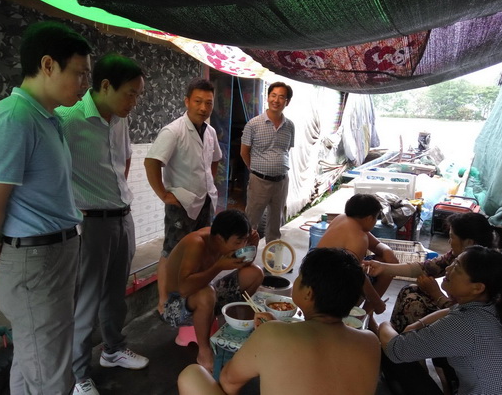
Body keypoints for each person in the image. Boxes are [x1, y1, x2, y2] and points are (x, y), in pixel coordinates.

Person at [0, 21, 91, 394]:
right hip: (34, 262)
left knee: (34, 363)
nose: (84, 84)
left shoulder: (46, 118)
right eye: (79, 73)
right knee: (51, 375)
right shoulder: (13, 118)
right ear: (48, 65)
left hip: (51, 256)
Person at [57, 53, 148, 395]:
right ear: (106, 85)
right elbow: (51, 172)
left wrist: (116, 199)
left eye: (138, 94)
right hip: (90, 224)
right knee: (86, 302)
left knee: (115, 294)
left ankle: (113, 350)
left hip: (122, 217)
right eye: (130, 93)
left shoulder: (120, 119)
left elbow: (123, 163)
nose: (134, 101)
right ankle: (78, 376)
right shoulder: (67, 120)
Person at [177, 248, 381, 395]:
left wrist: (271, 335)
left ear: (308, 293)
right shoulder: (371, 342)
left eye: (299, 278)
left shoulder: (272, 334)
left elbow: (229, 382)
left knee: (191, 375)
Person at [378, 246, 502, 395]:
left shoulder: (464, 324)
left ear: (477, 288)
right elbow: (451, 310)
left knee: (388, 352)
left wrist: (384, 325)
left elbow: (395, 349)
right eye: (453, 263)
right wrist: (417, 325)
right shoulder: (494, 306)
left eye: (457, 268)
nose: (448, 269)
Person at [144, 78, 222, 314]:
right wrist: (163, 194)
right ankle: (163, 301)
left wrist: (210, 183)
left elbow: (215, 159)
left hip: (205, 201)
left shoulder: (210, 131)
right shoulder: (174, 131)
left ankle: (193, 292)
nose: (203, 108)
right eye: (198, 101)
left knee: (202, 248)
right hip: (181, 203)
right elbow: (151, 162)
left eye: (208, 103)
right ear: (187, 101)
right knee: (171, 251)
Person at [364, 212, 502, 333]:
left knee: (413, 303)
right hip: (454, 309)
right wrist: (384, 267)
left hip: (467, 324)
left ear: (468, 242)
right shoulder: (458, 255)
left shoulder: (483, 269)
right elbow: (426, 267)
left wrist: (436, 294)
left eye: (452, 237)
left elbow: (464, 313)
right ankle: (398, 341)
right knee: (409, 291)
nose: (449, 242)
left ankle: (403, 347)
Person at [162, 209, 263, 372]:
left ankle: (233, 324)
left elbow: (244, 265)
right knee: (206, 293)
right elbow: (184, 289)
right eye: (238, 242)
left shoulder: (223, 239)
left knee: (255, 273)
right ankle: (204, 351)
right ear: (219, 238)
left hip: (205, 292)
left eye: (244, 241)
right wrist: (218, 267)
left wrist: (253, 246)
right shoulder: (196, 243)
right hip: (175, 305)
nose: (241, 246)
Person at [318, 193, 398, 319]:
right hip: (328, 288)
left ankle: (368, 315)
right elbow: (358, 277)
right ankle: (364, 315)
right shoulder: (358, 237)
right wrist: (377, 302)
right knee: (387, 269)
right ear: (369, 218)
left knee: (387, 261)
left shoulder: (342, 218)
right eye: (376, 218)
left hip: (318, 277)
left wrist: (388, 251)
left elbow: (377, 245)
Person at [240, 81, 295, 243]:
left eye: (281, 97)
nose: (276, 100)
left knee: (276, 223)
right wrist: (254, 169)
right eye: (273, 95)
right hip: (259, 181)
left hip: (281, 182)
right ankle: (246, 255)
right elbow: (244, 152)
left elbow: (285, 150)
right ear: (268, 97)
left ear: (287, 102)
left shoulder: (290, 126)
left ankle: (272, 256)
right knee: (251, 222)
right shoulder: (253, 124)